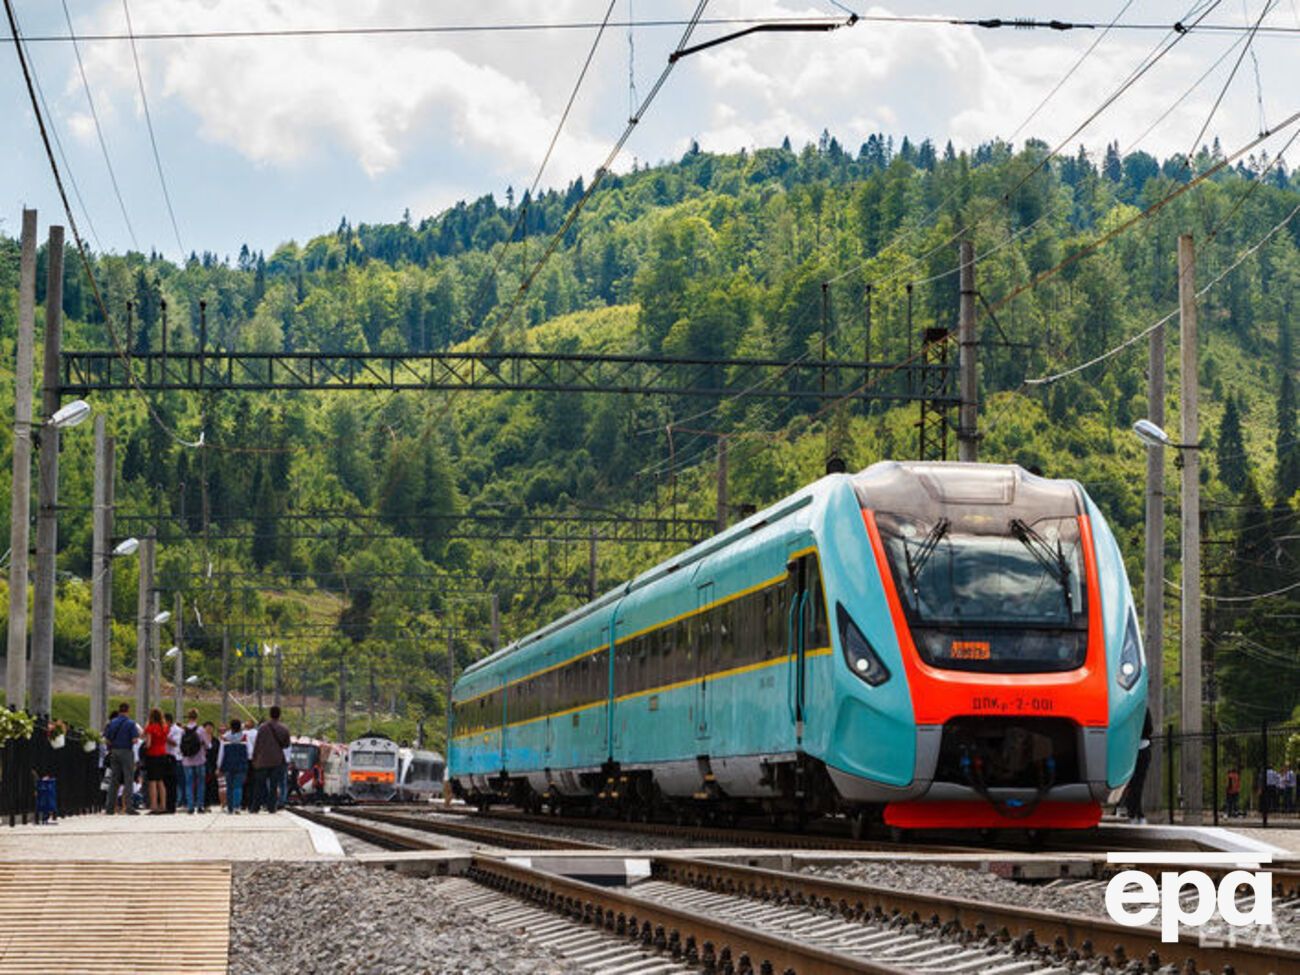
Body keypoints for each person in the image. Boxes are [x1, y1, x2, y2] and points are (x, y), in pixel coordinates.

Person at [250, 706, 292, 814]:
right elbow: (287, 745)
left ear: (270, 714)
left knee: (259, 785)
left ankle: (255, 807)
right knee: (274, 785)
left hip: (262, 760)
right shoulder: (284, 729)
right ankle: (272, 807)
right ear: (279, 715)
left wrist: (254, 758)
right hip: (277, 761)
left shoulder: (262, 728)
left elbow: (257, 744)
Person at [103, 702, 140, 815]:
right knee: (128, 779)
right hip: (126, 751)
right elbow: (134, 740)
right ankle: (129, 807)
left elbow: (107, 739)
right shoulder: (131, 723)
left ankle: (110, 807)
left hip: (114, 751)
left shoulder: (112, 723)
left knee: (114, 780)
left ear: (119, 710)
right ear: (128, 710)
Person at [1121, 709, 1153, 824]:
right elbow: (1149, 729)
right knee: (1136, 783)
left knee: (1135, 783)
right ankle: (1134, 811)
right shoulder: (1142, 710)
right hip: (1139, 747)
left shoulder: (1137, 710)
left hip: (1137, 747)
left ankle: (1134, 812)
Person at [179, 709, 209, 814]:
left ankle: (190, 806)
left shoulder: (183, 730)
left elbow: (180, 745)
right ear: (197, 717)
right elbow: (208, 745)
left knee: (188, 784)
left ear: (188, 717)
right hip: (199, 760)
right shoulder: (201, 730)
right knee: (200, 783)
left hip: (187, 761)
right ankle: (200, 805)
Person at [218, 720, 250, 814]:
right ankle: (237, 807)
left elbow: (221, 753)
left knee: (229, 786)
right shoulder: (244, 737)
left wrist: (219, 766)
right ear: (240, 727)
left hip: (228, 765)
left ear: (230, 727)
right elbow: (248, 752)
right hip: (241, 764)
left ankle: (230, 807)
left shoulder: (225, 738)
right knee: (238, 786)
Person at [141, 709, 170, 813]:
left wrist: (144, 747)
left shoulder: (150, 727)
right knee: (161, 781)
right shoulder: (165, 727)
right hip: (163, 754)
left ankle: (154, 806)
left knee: (152, 782)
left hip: (152, 755)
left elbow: (148, 743)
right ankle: (163, 805)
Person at [164, 712, 182, 814]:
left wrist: (164, 737)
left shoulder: (176, 730)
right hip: (163, 756)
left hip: (172, 757)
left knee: (171, 783)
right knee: (165, 783)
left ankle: (171, 806)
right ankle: (165, 804)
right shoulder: (165, 729)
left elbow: (175, 743)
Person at [202, 721, 220, 809]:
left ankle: (210, 801)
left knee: (212, 784)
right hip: (203, 763)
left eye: (211, 728)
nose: (209, 729)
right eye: (207, 728)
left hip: (213, 764)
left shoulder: (216, 741)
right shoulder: (201, 740)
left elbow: (218, 753)